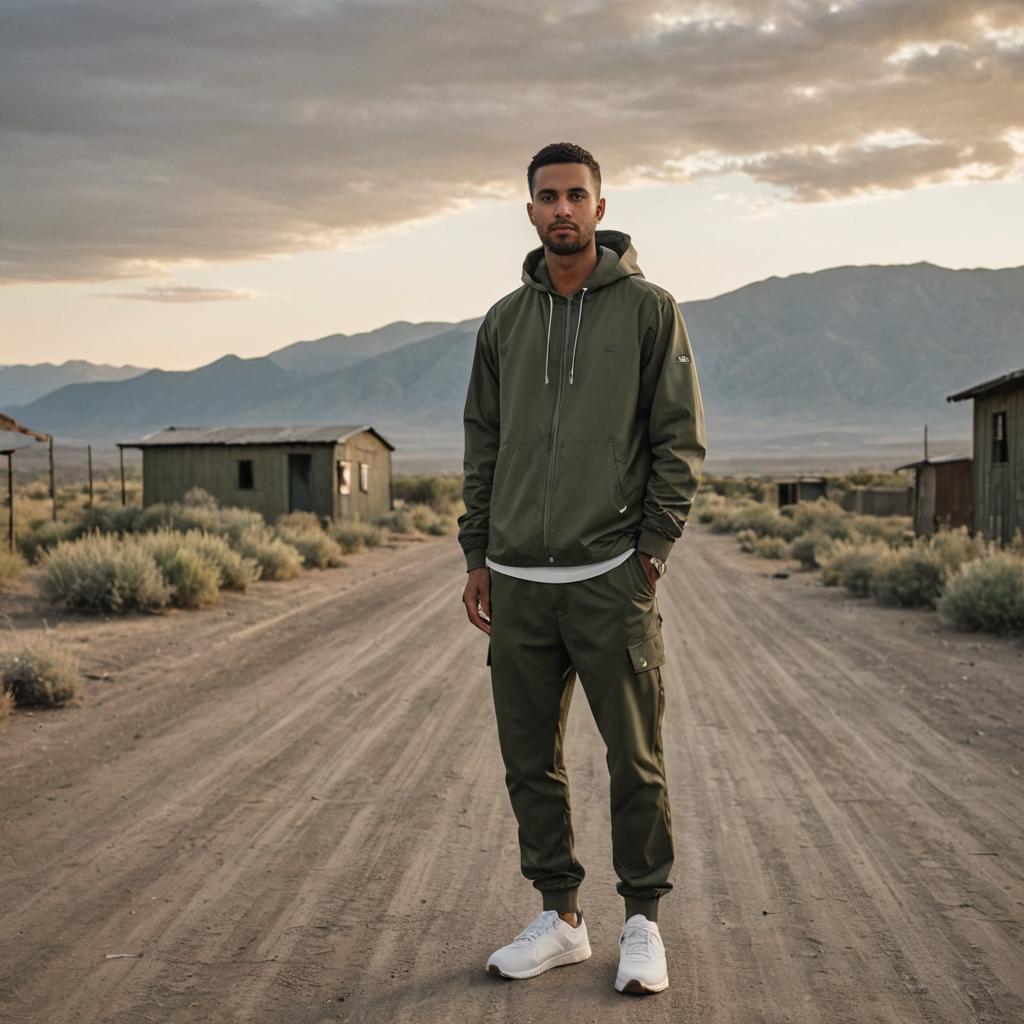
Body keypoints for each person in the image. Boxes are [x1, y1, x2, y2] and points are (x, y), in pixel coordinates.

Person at [458, 141, 706, 995]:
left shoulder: (648, 310)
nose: (561, 209)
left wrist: (652, 552)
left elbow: (679, 439)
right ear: (529, 211)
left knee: (635, 758)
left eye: (575, 195)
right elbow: (482, 445)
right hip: (522, 583)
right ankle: (561, 918)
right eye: (546, 197)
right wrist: (478, 554)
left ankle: (643, 923)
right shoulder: (503, 322)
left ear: (600, 208)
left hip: (610, 579)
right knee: (530, 761)